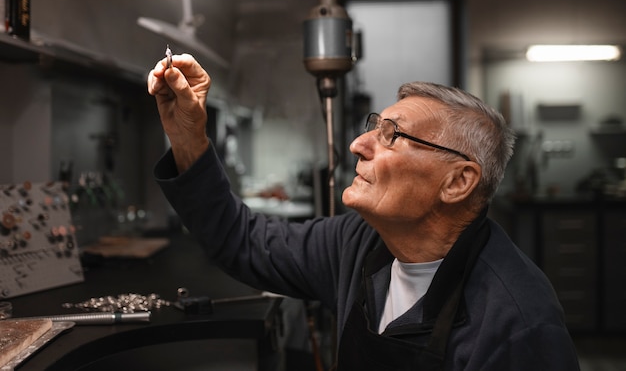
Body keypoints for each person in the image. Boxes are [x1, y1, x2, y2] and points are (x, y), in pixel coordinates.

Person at [147, 53, 580, 370]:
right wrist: (188, 137)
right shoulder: (357, 242)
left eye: (392, 135)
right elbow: (239, 241)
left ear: (457, 182)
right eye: (375, 127)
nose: (358, 144)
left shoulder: (518, 323)